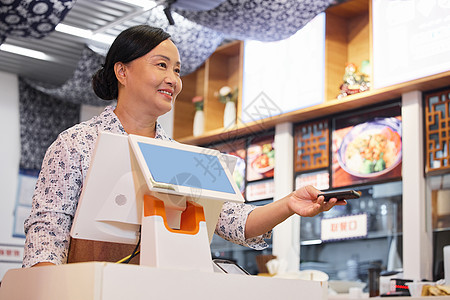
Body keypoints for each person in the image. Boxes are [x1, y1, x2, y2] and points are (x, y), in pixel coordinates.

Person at [23, 25, 345, 268]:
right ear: (122, 71)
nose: (173, 80)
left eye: (176, 70)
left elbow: (236, 222)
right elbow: (46, 236)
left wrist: (289, 204)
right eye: (161, 65)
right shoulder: (76, 144)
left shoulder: (182, 159)